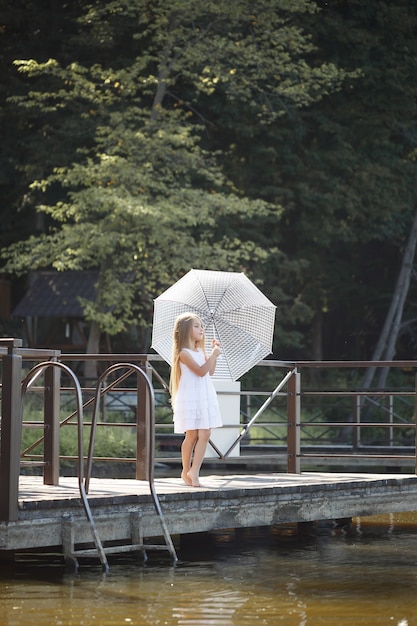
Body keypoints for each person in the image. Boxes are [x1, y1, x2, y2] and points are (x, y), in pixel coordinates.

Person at [170, 312, 222, 487]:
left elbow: (210, 371)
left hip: (204, 394)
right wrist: (213, 355)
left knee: (205, 433)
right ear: (186, 330)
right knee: (191, 435)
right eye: (197, 326)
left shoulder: (200, 350)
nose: (201, 329)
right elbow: (200, 371)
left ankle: (195, 470)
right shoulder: (183, 353)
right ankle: (186, 470)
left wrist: (213, 354)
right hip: (191, 396)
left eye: (202, 326)